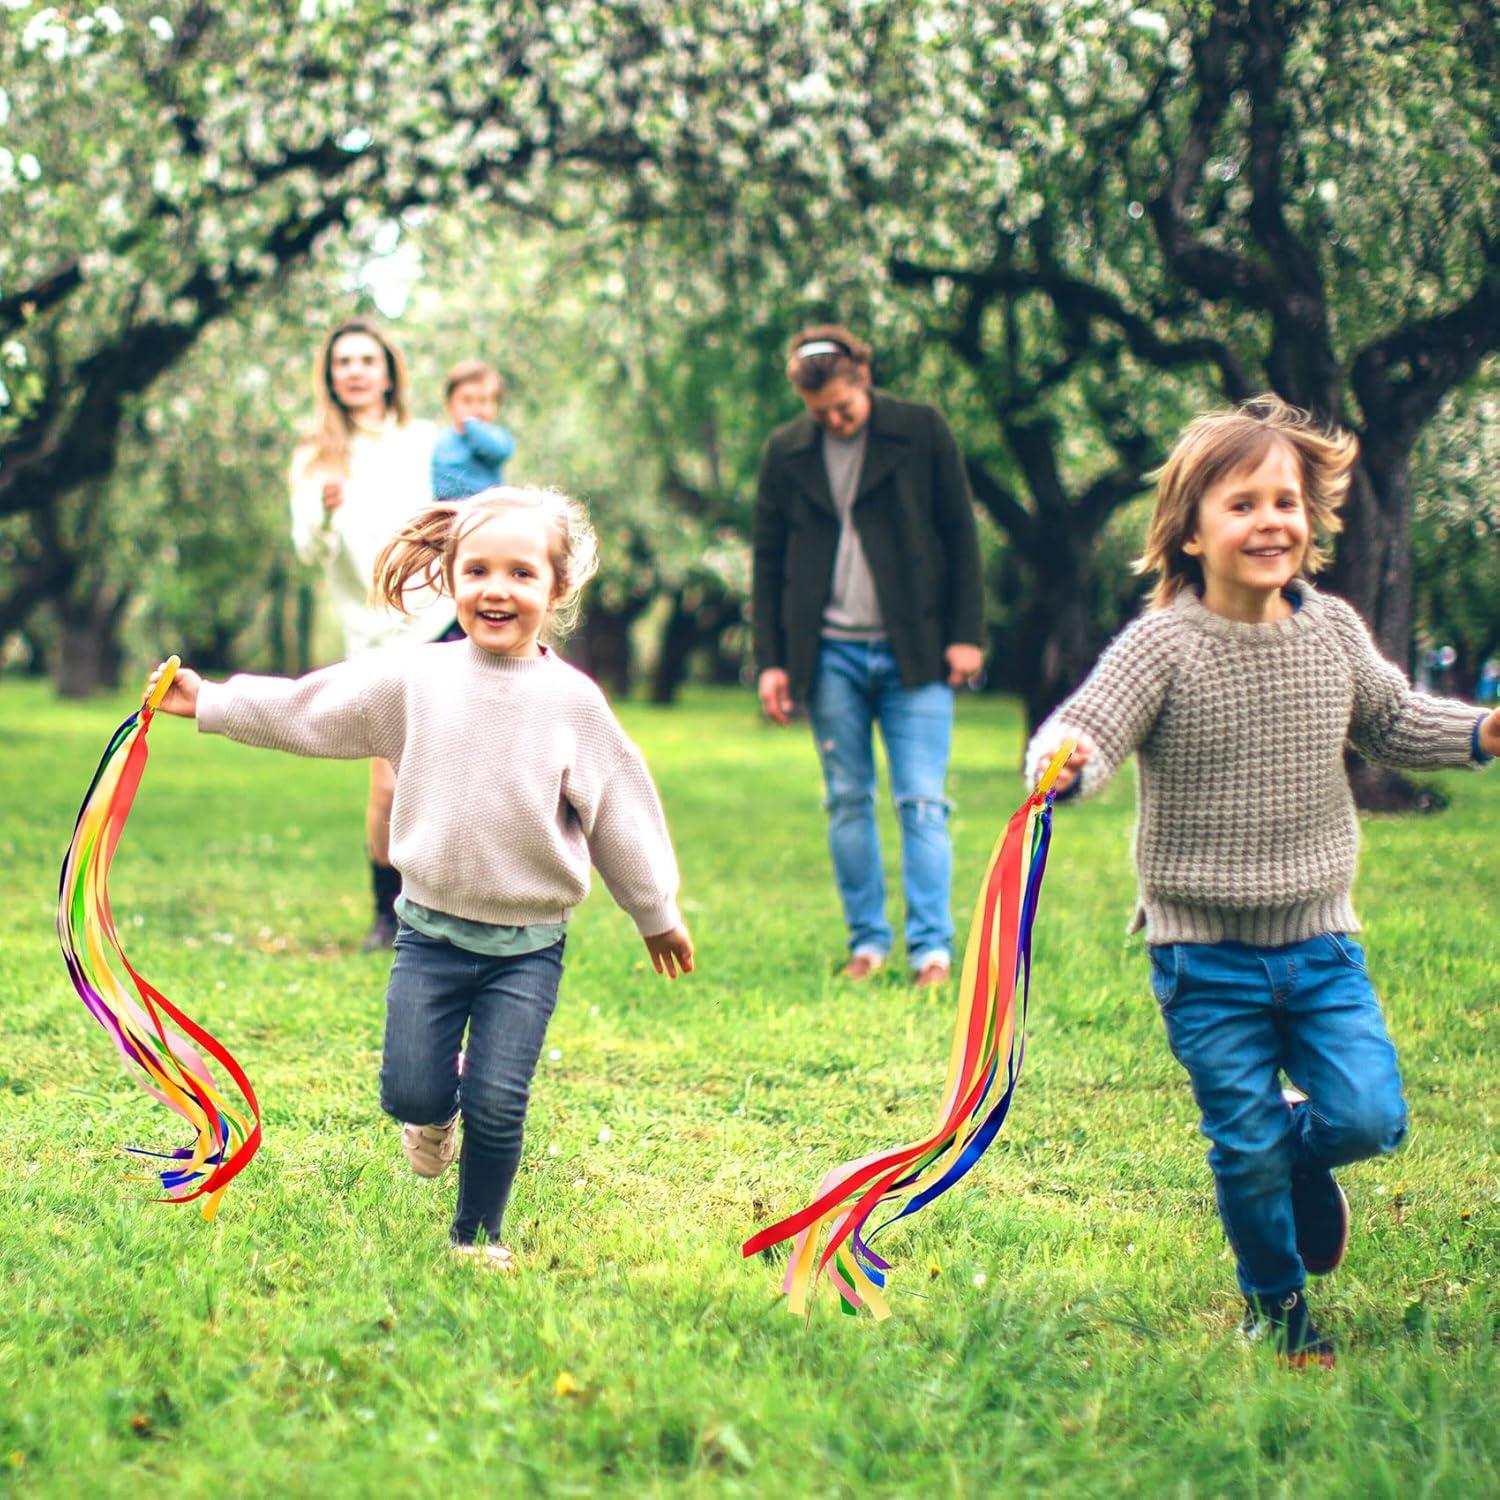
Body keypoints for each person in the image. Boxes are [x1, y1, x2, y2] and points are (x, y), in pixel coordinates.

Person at [1025, 394, 1498, 1366]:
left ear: (1312, 520)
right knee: (1237, 1147)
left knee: (1371, 1116)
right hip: (1202, 954)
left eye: (1285, 500)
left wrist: (1481, 732)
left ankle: (1299, 1144)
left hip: (1320, 942)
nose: (1269, 520)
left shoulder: (1330, 634)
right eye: (1241, 504)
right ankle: (1277, 1310)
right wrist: (1063, 758)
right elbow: (1091, 726)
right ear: (1189, 531)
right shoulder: (1162, 646)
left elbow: (1394, 721)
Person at [147, 487, 695, 1270]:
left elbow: (622, 814)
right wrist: (210, 701)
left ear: (556, 589)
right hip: (429, 937)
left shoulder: (573, 703)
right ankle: (432, 1113)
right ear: (448, 578)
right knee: (410, 1092)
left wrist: (656, 910)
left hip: (526, 949)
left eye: (520, 573)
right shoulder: (417, 679)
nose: (496, 589)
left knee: (500, 1103)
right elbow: (313, 708)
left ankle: (477, 1236)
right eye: (477, 570)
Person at [752, 324, 985, 987]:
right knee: (848, 799)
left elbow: (959, 532)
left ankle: (931, 950)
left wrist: (967, 633)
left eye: (843, 405)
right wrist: (772, 659)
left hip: (917, 648)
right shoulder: (788, 452)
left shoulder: (921, 429)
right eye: (819, 411)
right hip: (828, 654)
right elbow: (767, 560)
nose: (834, 419)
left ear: (863, 377)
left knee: (920, 799)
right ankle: (868, 943)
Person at [289, 318, 450, 951]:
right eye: (343, 362)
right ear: (330, 377)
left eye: (366, 360)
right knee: (388, 781)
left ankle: (448, 908)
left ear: (388, 372)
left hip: (442, 619)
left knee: (446, 772)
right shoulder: (316, 455)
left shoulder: (424, 440)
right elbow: (308, 549)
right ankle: (389, 914)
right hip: (376, 636)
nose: (354, 370)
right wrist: (326, 511)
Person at [431, 360, 516, 502]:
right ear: (449, 405)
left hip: (485, 513)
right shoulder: (440, 442)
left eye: (483, 401)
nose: (475, 409)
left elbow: (499, 450)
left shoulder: (497, 437)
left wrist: (471, 426)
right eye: (467, 400)